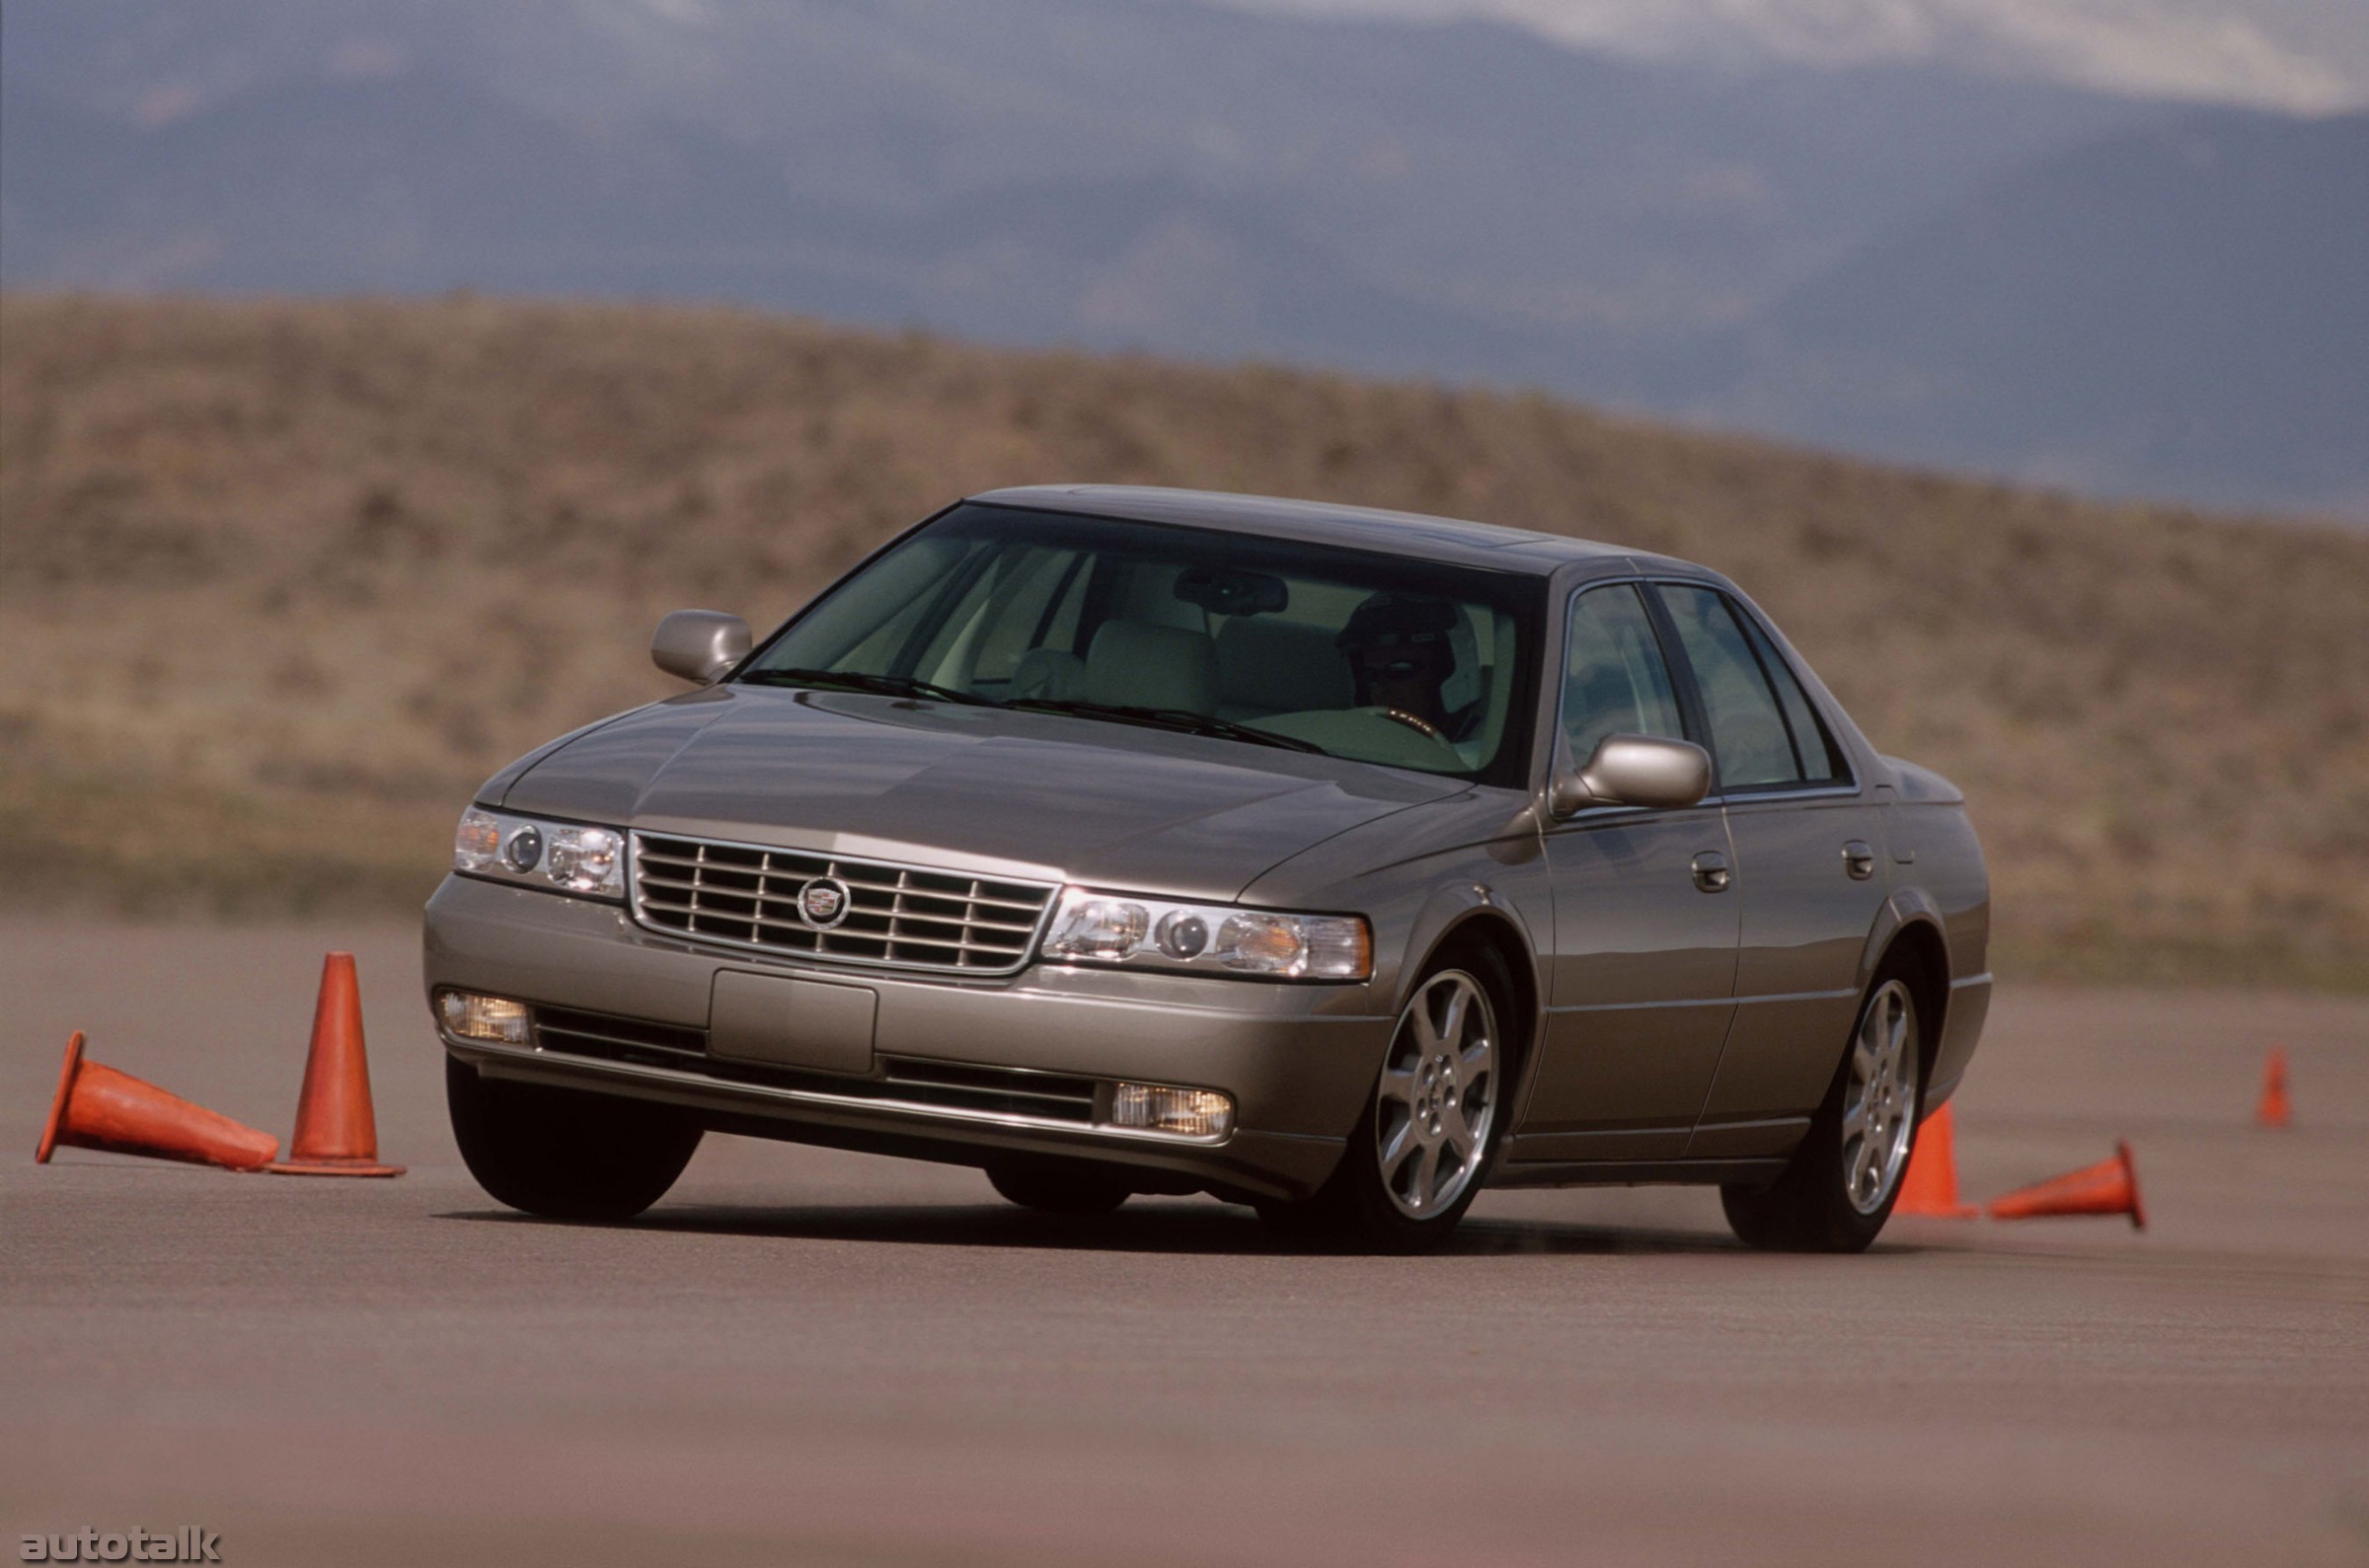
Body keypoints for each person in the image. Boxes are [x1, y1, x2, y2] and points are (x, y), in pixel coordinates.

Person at [1335, 592, 1476, 740]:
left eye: (1399, 670)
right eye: (1371, 675)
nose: (1382, 688)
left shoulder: (1482, 748)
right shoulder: (1352, 743)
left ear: (1442, 672)